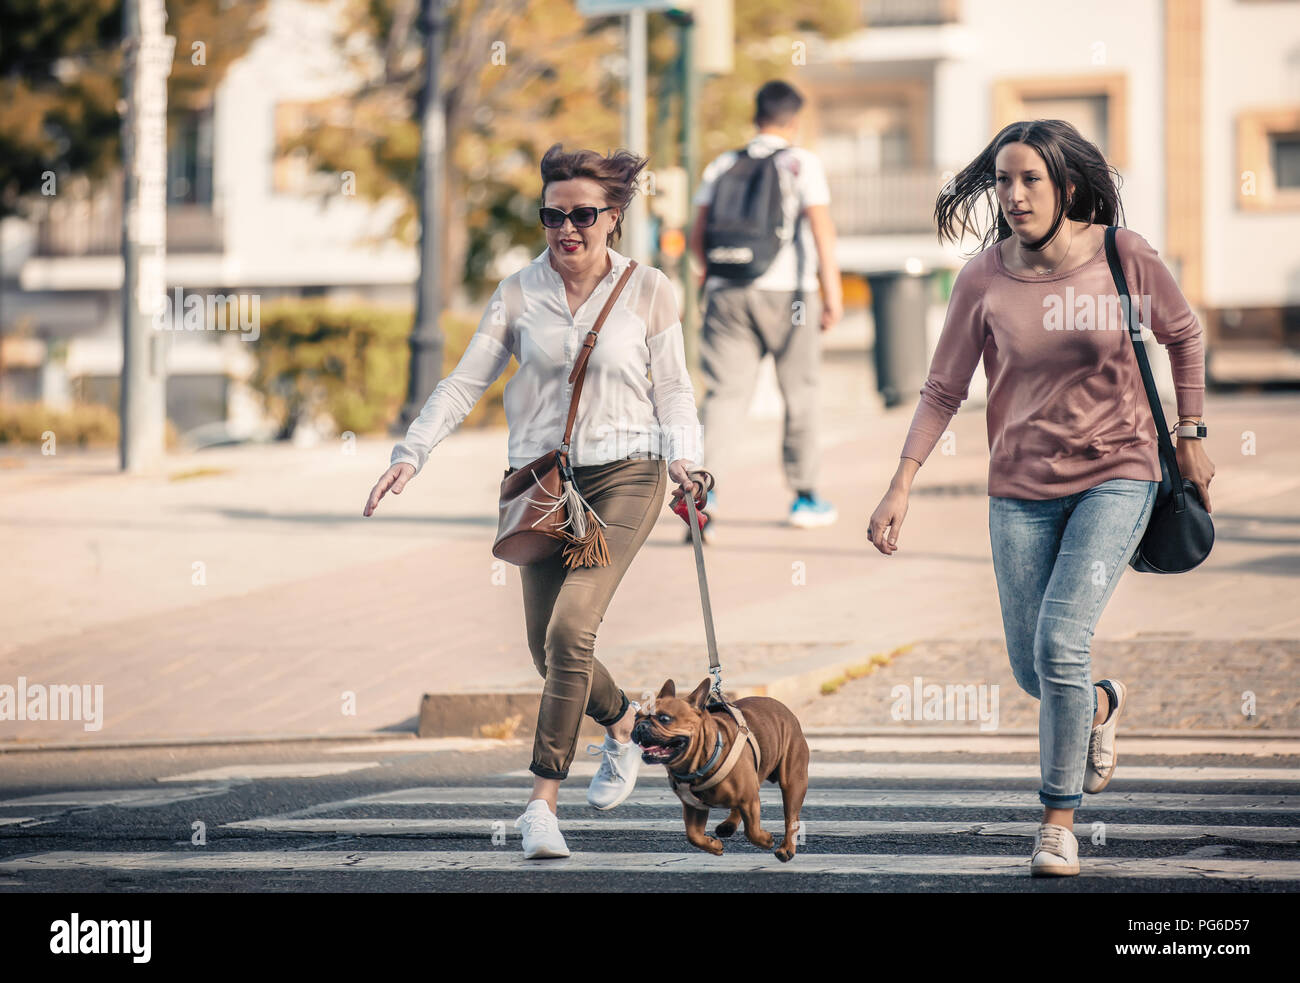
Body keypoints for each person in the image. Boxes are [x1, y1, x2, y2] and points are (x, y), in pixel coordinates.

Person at [867, 119, 1215, 877]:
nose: (1013, 194)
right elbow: (941, 388)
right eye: (1002, 180)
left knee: (1060, 644)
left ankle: (1057, 823)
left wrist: (1189, 432)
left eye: (1029, 179)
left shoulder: (1123, 255)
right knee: (1036, 670)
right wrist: (901, 482)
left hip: (1119, 471)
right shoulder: (983, 278)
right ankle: (1095, 705)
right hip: (1019, 488)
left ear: (1066, 186)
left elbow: (1184, 334)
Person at [364, 143, 704, 860]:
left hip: (628, 473)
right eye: (553, 214)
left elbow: (673, 386)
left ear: (613, 216)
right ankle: (623, 727)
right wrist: (410, 452)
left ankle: (540, 802)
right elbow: (464, 382)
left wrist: (688, 461)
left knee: (570, 630)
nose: (567, 228)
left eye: (583, 214)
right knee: (544, 647)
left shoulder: (649, 289)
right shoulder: (518, 292)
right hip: (542, 485)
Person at [689, 79, 844, 532]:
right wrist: (831, 294)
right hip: (789, 296)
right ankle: (805, 498)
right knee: (800, 393)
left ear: (756, 115)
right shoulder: (801, 163)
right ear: (793, 120)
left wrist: (715, 279)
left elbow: (697, 238)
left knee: (724, 396)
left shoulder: (722, 164)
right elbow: (821, 230)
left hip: (725, 292)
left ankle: (704, 493)